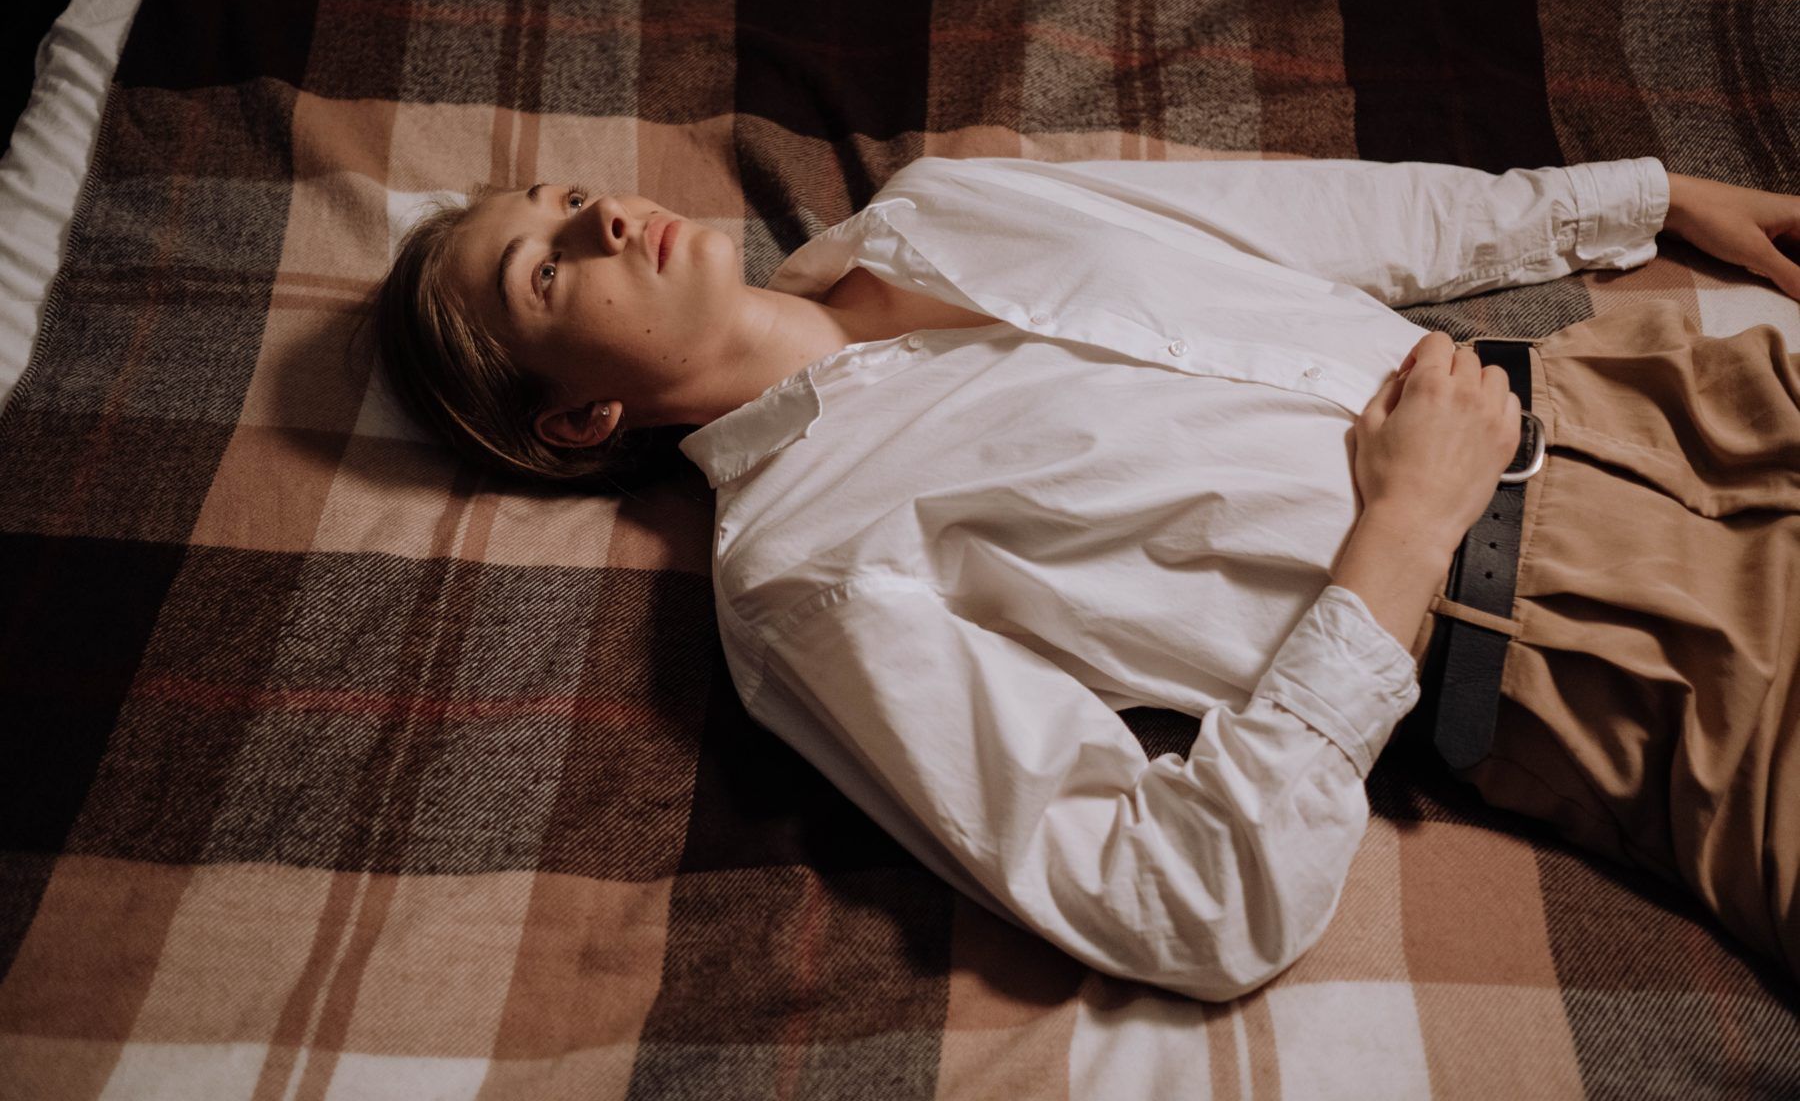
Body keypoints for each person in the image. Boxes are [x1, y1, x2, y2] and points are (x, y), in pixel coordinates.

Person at [371, 154, 1800, 1001]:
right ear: (579, 422)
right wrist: (1410, 528)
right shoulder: (800, 577)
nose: (603, 220)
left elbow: (1307, 220)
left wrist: (1644, 196)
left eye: (569, 196)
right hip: (1615, 663)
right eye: (543, 273)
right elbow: (1186, 900)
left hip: (1677, 398)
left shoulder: (937, 203)